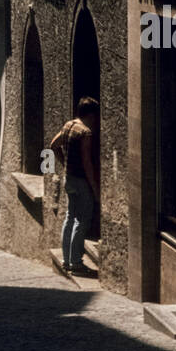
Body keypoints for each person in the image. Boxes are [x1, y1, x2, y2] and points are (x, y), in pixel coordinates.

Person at [50, 97, 100, 276]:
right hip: (81, 181)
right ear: (91, 114)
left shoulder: (69, 125)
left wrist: (64, 163)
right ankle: (76, 262)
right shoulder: (86, 132)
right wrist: (94, 187)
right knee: (82, 220)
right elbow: (87, 162)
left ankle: (66, 260)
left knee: (70, 217)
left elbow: (53, 145)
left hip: (68, 179)